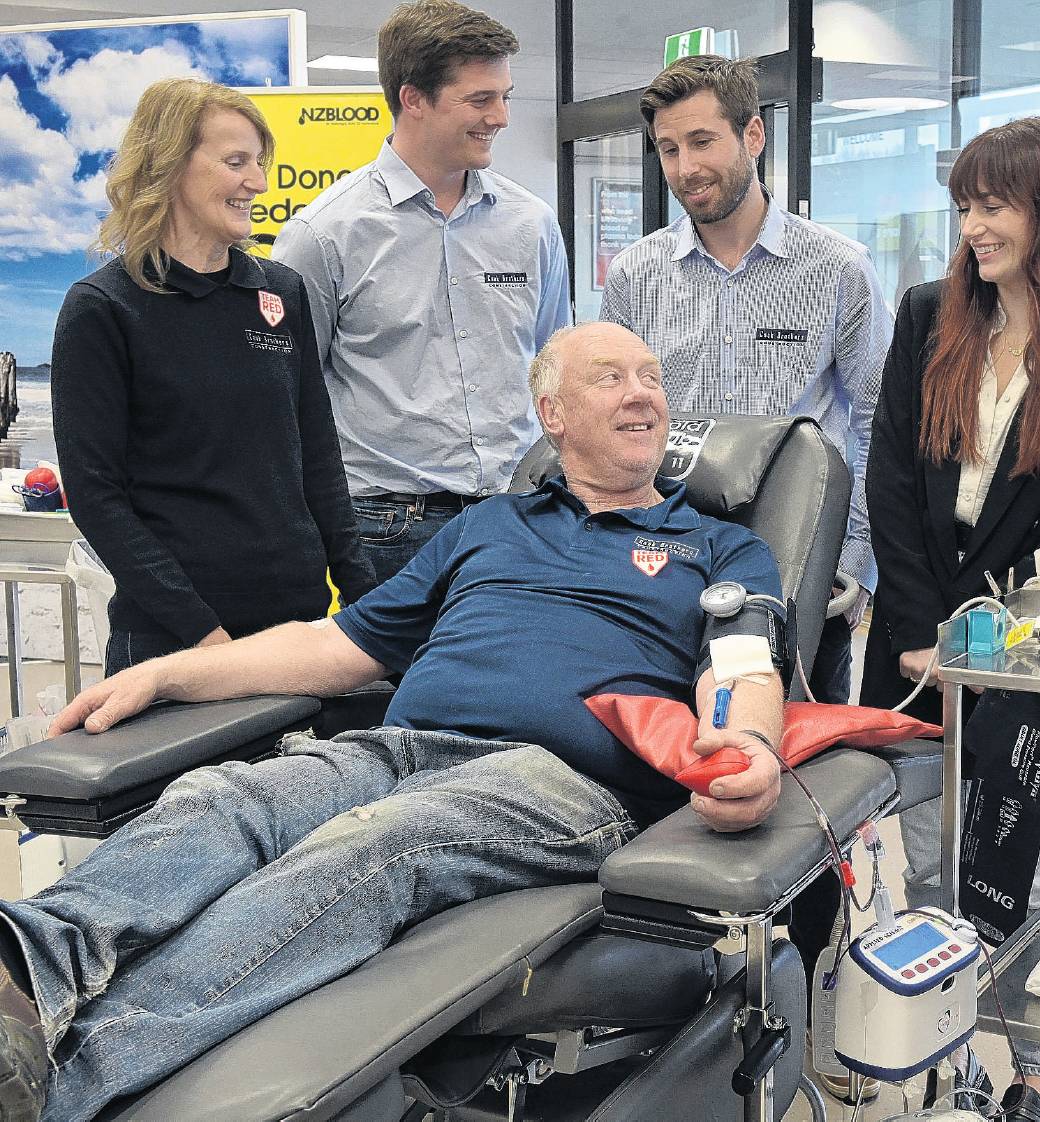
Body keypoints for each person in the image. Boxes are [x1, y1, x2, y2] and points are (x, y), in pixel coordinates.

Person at [0, 322, 784, 1122]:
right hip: (397, 749)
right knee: (219, 799)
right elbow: (335, 647)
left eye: (651, 376)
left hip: (561, 783)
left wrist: (749, 748)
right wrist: (165, 673)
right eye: (610, 377)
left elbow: (743, 671)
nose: (643, 393)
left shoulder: (719, 548)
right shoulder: (486, 527)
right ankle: (18, 985)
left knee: (377, 841)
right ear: (551, 412)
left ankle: (62, 1086)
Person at [859, 117, 1040, 1120]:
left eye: (994, 203)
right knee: (926, 858)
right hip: (917, 649)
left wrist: (1000, 630)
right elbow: (889, 476)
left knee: (1027, 862)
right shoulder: (930, 314)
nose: (973, 224)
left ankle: (1027, 1073)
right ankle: (942, 1062)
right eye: (964, 204)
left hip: (1033, 661)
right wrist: (921, 629)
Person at [49, 79, 374, 677]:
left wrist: (368, 606)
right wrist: (203, 634)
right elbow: (97, 498)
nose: (258, 182)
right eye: (236, 162)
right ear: (169, 165)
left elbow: (319, 462)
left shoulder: (279, 292)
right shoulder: (104, 308)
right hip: (175, 640)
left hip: (294, 626)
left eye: (260, 162)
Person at [600, 54, 890, 707]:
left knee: (802, 773)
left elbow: (879, 419)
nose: (684, 168)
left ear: (752, 135)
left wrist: (851, 562)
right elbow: (612, 422)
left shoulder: (837, 268)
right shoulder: (635, 274)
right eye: (668, 149)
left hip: (801, 561)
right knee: (674, 760)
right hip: (669, 563)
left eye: (701, 141)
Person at [273, 0, 571, 584]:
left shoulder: (530, 223)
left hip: (518, 515)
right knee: (400, 681)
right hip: (385, 528)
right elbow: (288, 397)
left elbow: (553, 364)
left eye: (504, 96)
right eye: (481, 99)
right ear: (413, 99)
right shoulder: (324, 234)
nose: (502, 117)